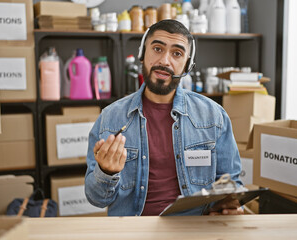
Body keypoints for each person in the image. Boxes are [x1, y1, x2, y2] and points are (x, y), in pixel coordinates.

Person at [85, 19, 243, 216]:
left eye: (177, 53)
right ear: (142, 54)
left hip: (195, 230)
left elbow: (231, 183)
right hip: (133, 231)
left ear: (187, 66)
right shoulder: (110, 118)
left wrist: (229, 206)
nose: (165, 61)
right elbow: (96, 199)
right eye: (157, 49)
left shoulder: (214, 116)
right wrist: (106, 173)